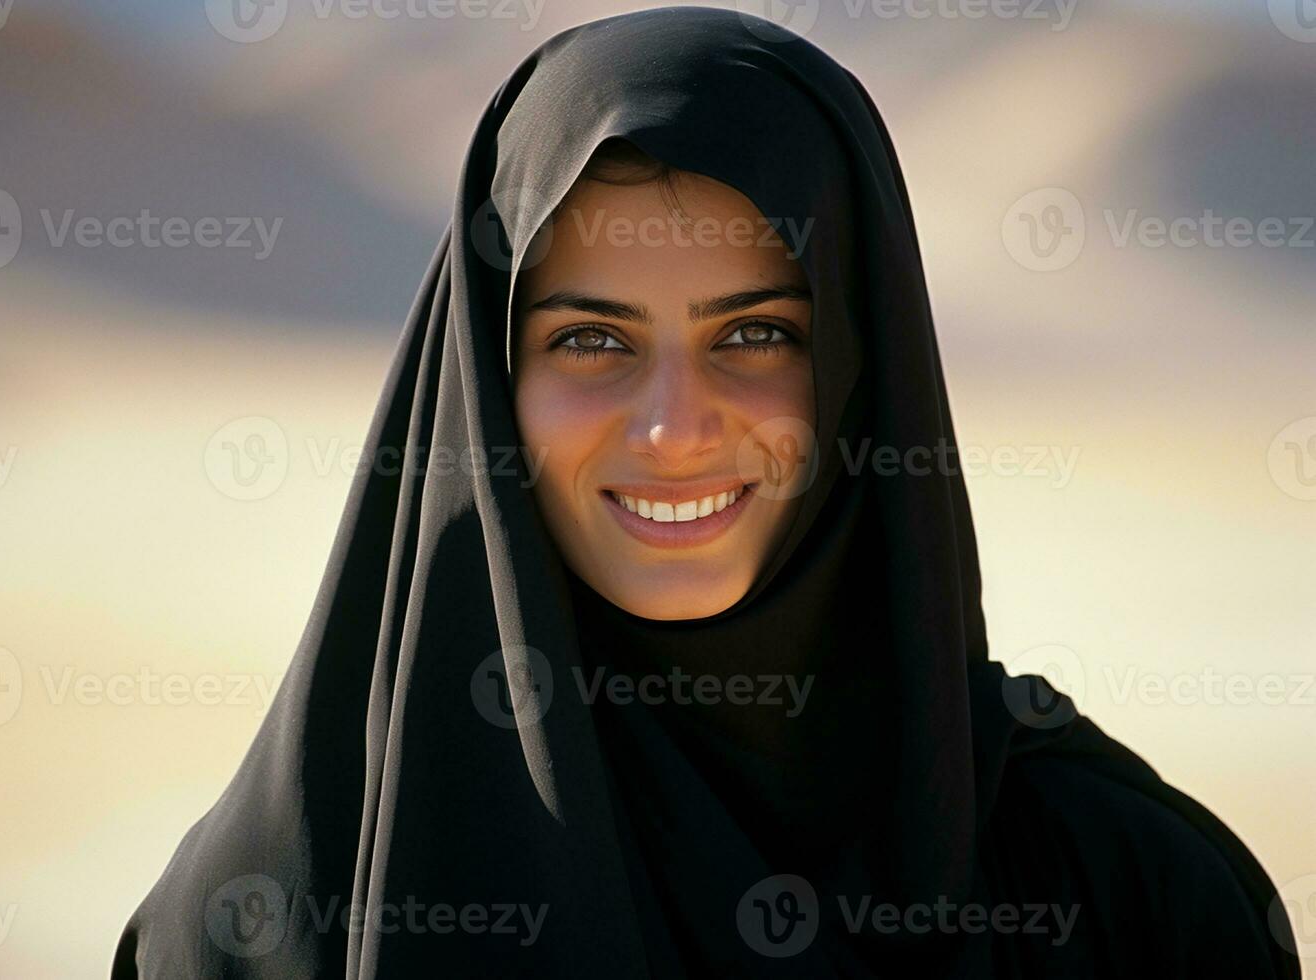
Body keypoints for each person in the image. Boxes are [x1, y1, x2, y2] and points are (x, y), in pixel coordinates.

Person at [111, 7, 1300, 977]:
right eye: (590, 341)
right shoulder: (254, 926)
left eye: (757, 334)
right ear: (486, 381)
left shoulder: (1121, 894)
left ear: (859, 369)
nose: (676, 426)